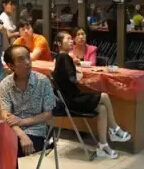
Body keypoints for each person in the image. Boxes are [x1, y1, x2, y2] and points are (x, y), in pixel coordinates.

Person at [53, 31, 130, 159]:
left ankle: (103, 145)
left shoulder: (60, 57)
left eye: (71, 38)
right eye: (68, 39)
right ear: (59, 43)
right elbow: (73, 80)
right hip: (72, 100)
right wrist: (78, 76)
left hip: (69, 99)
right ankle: (114, 129)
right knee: (104, 96)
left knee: (102, 109)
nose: (71, 41)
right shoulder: (64, 57)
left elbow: (65, 76)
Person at [0, 45, 54, 169]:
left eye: (28, 57)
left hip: (37, 131)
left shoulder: (42, 81)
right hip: (14, 131)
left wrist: (23, 123)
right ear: (11, 66)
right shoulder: (5, 84)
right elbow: (6, 115)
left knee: (7, 148)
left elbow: (48, 114)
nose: (28, 62)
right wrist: (21, 134)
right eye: (21, 59)